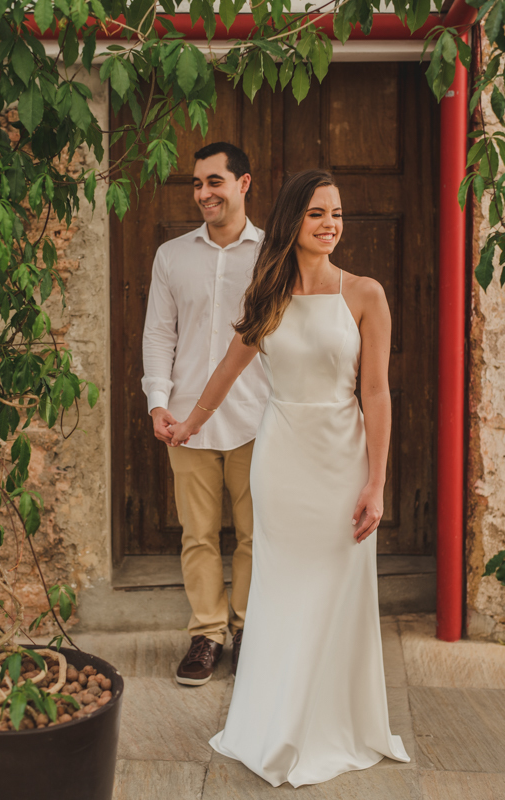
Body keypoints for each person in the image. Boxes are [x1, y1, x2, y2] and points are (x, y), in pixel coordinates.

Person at [168, 169, 410, 787]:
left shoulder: (366, 294)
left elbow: (376, 394)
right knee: (281, 589)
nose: (330, 224)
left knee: (337, 588)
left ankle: (332, 723)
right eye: (316, 213)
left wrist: (377, 483)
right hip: (282, 461)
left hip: (343, 462)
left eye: (337, 213)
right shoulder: (268, 294)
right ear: (292, 221)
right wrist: (190, 423)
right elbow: (228, 369)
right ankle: (277, 722)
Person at [142, 142, 270, 687]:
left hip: (257, 418)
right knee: (196, 535)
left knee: (254, 536)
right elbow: (158, 334)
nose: (203, 193)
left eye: (214, 181)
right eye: (197, 183)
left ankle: (247, 630)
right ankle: (207, 634)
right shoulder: (172, 255)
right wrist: (158, 402)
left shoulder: (273, 254)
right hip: (185, 423)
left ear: (244, 183)